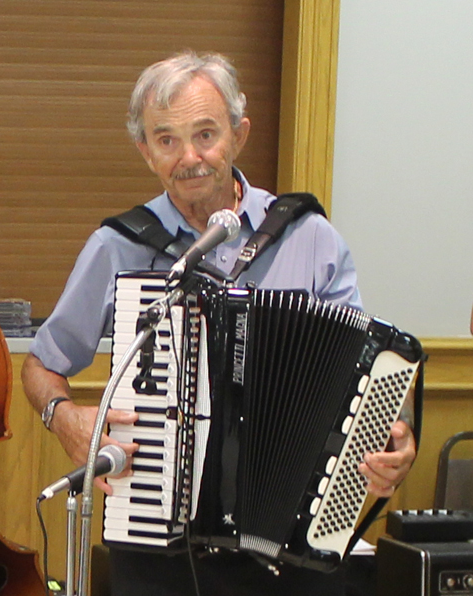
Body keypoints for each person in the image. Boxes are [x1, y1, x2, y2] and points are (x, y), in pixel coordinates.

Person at [22, 50, 416, 596]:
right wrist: (63, 418)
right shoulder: (118, 247)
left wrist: (394, 446)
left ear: (239, 134)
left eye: (206, 134)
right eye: (166, 140)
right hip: (158, 545)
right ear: (146, 151)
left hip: (289, 551)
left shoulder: (311, 239)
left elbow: (365, 381)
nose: (190, 157)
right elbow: (42, 364)